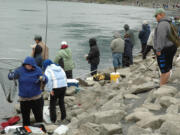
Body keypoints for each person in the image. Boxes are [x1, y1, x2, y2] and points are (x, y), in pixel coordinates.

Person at [8, 56, 48, 126]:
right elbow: (10, 77)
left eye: (31, 65)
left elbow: (46, 79)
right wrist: (11, 74)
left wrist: (43, 78)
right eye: (28, 65)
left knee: (39, 119)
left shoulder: (38, 69)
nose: (30, 66)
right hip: (24, 100)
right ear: (25, 64)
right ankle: (27, 132)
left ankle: (41, 132)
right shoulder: (19, 70)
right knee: (26, 120)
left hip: (36, 99)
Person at [154, 8, 177, 86]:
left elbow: (161, 37)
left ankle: (162, 87)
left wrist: (158, 50)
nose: (155, 18)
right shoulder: (169, 22)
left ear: (160, 15)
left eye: (156, 16)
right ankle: (163, 84)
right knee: (168, 67)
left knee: (164, 70)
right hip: (172, 47)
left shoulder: (162, 24)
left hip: (165, 49)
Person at [43, 59, 67, 124]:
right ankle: (63, 117)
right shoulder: (60, 68)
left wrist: (50, 90)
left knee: (52, 103)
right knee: (61, 102)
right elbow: (65, 77)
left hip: (55, 88)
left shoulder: (48, 70)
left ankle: (53, 119)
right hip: (64, 86)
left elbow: (48, 81)